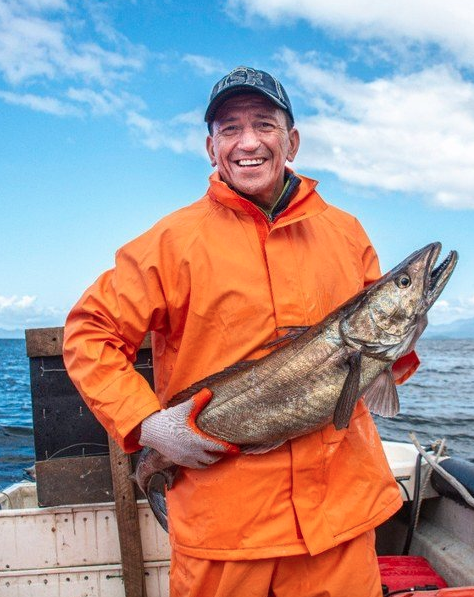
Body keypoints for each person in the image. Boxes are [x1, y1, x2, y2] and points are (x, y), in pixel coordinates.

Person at [62, 66, 421, 597]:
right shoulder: (170, 242)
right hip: (224, 530)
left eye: (264, 125)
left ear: (291, 141)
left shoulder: (347, 234)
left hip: (338, 522)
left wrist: (404, 341)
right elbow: (88, 333)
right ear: (211, 148)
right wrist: (147, 423)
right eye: (229, 128)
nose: (247, 142)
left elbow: (377, 363)